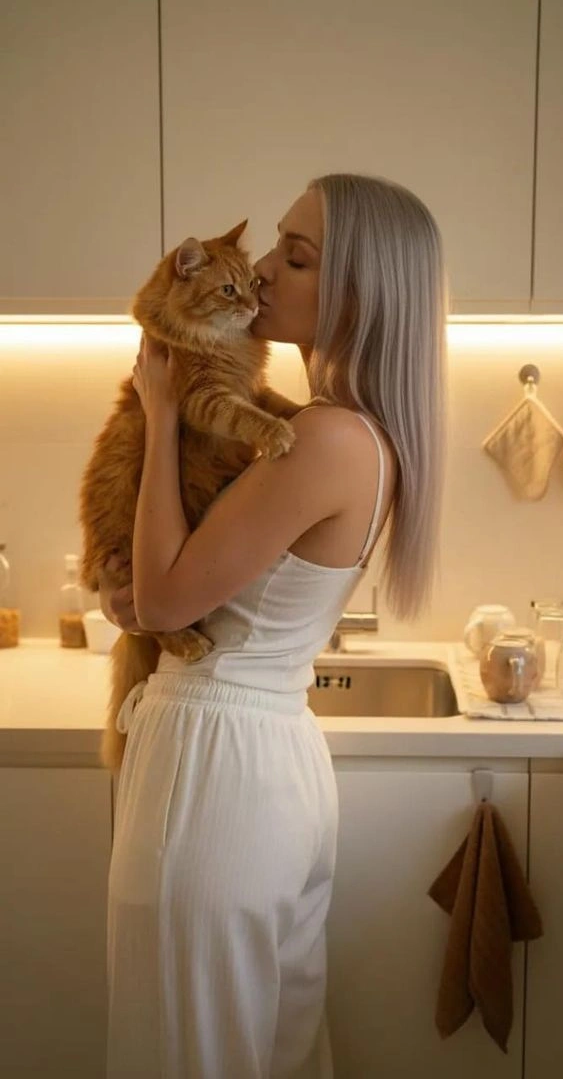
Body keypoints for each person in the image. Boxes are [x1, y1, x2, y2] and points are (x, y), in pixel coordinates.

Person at [100, 173, 446, 1078]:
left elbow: (169, 601)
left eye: (293, 258)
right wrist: (139, 590)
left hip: (214, 775)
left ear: (354, 298)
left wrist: (162, 408)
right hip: (267, 765)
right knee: (267, 1050)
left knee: (189, 1051)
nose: (257, 271)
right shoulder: (353, 432)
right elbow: (180, 587)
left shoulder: (323, 437)